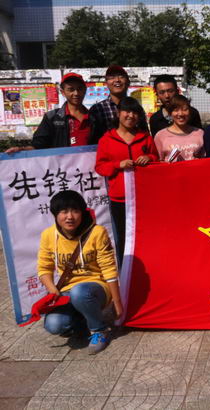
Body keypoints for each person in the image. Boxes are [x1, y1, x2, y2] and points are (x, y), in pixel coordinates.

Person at [38, 190, 121, 354]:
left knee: (80, 292)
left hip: (96, 287)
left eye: (75, 211)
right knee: (54, 325)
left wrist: (117, 302)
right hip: (68, 290)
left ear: (82, 212)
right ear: (55, 214)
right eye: (64, 211)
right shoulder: (48, 235)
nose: (70, 217)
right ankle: (85, 319)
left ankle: (99, 330)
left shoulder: (97, 233)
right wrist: (53, 290)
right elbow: (44, 267)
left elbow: (109, 269)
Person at [95, 97, 158, 264]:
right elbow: (100, 167)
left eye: (135, 112)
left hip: (144, 199)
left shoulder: (145, 137)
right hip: (120, 199)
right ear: (118, 113)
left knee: (147, 236)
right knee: (124, 238)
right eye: (127, 111)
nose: (131, 116)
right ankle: (127, 272)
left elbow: (156, 159)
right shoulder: (106, 140)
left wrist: (149, 158)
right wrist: (118, 165)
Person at [5, 73, 101, 153]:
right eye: (71, 89)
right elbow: (38, 145)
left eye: (79, 89)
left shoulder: (94, 118)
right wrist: (21, 150)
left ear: (85, 90)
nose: (76, 93)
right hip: (63, 168)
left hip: (88, 169)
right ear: (63, 92)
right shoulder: (51, 118)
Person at [89, 65, 148, 138]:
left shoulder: (136, 108)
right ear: (106, 83)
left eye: (121, 76)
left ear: (128, 82)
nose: (117, 80)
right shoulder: (98, 109)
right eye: (112, 77)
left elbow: (145, 135)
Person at [154, 95, 205, 162]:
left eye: (185, 109)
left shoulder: (200, 133)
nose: (180, 114)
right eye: (176, 110)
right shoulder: (160, 136)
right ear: (170, 113)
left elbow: (206, 159)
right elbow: (157, 161)